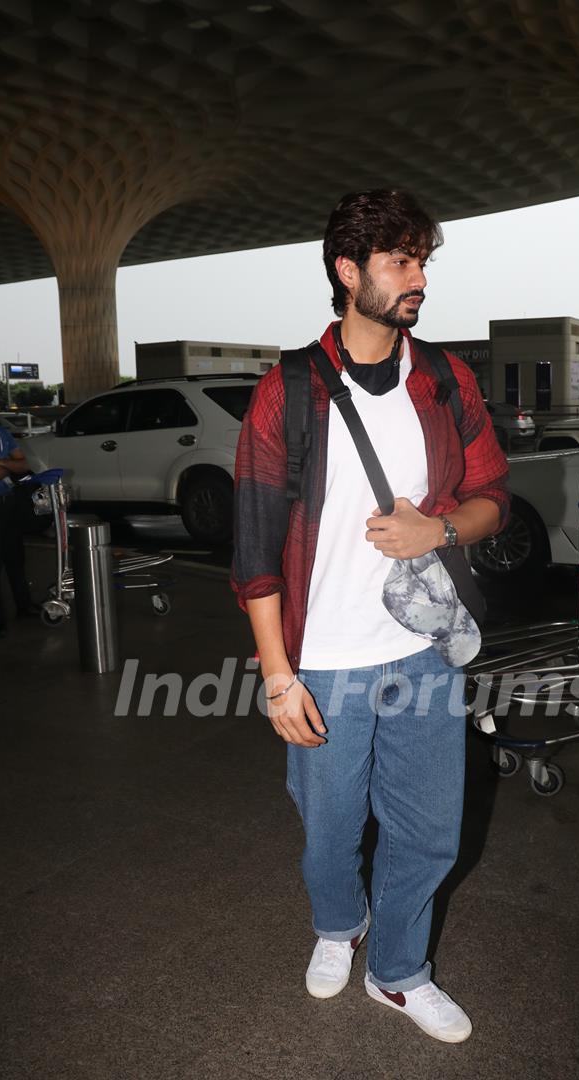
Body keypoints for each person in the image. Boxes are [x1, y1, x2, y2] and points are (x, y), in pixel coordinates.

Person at [232, 189, 509, 1044]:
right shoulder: (287, 391)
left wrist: (442, 526)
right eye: (400, 260)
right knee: (329, 832)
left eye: (422, 259)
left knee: (430, 832)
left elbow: (494, 496)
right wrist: (278, 676)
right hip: (324, 660)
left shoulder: (446, 379)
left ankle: (397, 971)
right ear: (349, 272)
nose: (419, 277)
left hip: (423, 653)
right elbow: (254, 550)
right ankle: (336, 923)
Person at [0, 424, 37, 633]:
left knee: (15, 556)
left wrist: (3, 464)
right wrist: (8, 465)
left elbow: (22, 465)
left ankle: (24, 606)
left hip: (8, 501)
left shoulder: (2, 432)